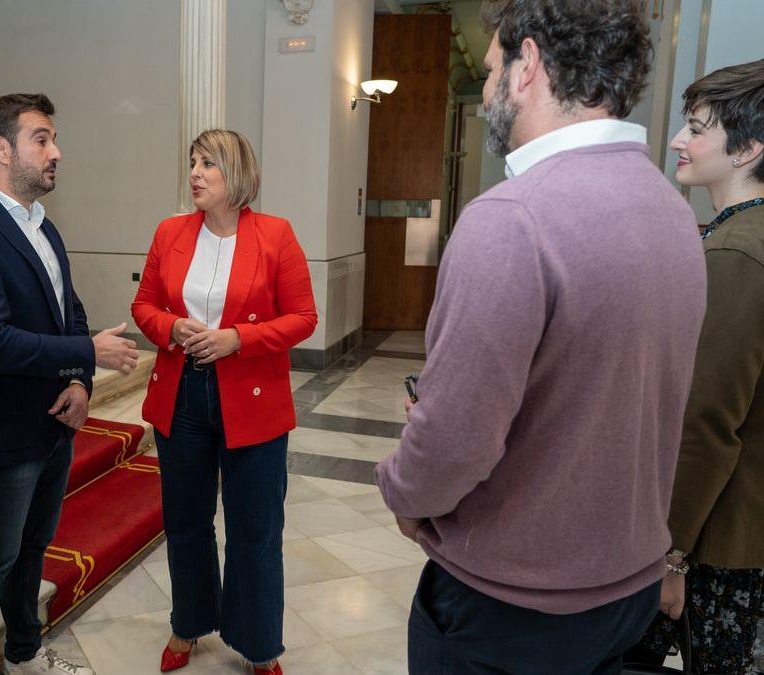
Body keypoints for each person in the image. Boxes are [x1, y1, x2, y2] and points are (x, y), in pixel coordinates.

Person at [373, 1, 708, 672]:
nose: (490, 87)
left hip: (514, 603)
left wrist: (405, 494)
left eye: (494, 67)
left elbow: (454, 440)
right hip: (625, 586)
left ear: (528, 64)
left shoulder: (510, 218)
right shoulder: (674, 211)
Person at [0, 93, 139, 675]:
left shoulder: (42, 226)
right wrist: (87, 350)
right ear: (1, 149)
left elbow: (67, 308)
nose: (57, 152)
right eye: (42, 139)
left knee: (30, 555)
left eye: (52, 140)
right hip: (1, 435)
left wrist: (80, 382)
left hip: (53, 423)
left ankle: (23, 653)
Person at [131, 129, 317, 675]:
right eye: (191, 162)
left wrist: (238, 339)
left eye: (207, 163)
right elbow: (143, 305)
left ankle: (259, 644)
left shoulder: (276, 235)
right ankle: (188, 624)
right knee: (186, 520)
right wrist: (171, 327)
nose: (194, 173)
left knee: (255, 528)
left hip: (251, 398)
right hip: (182, 394)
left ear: (235, 174)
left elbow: (304, 318)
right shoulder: (170, 233)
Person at [628, 59, 764, 674]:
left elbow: (707, 423)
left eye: (697, 128)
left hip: (731, 539)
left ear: (749, 149)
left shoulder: (736, 251)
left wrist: (672, 555)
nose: (679, 141)